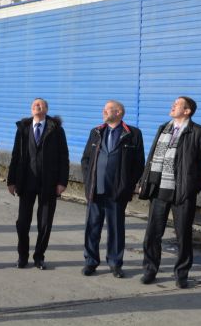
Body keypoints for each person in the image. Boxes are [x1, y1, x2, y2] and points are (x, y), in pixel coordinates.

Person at [138, 96, 201, 287]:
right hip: (159, 188)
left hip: (182, 192)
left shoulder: (199, 132)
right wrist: (144, 180)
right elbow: (152, 156)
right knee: (153, 233)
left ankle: (181, 274)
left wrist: (192, 188)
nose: (172, 106)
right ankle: (150, 270)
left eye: (177, 104)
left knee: (183, 235)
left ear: (187, 111)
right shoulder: (163, 128)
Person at [80, 100, 145, 278]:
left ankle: (115, 263)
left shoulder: (132, 134)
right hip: (96, 188)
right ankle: (91, 262)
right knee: (92, 227)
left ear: (119, 112)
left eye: (107, 109)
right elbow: (86, 159)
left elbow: (139, 165)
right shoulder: (96, 132)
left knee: (116, 229)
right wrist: (88, 181)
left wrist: (127, 185)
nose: (104, 112)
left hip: (117, 191)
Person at [7, 98, 69, 270]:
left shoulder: (56, 129)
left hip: (49, 183)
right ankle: (22, 256)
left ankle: (39, 256)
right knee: (23, 222)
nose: (37, 106)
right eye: (35, 104)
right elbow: (15, 156)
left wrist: (62, 182)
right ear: (31, 108)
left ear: (46, 109)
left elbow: (64, 157)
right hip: (26, 182)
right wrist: (11, 180)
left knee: (45, 223)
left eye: (41, 104)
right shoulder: (23, 129)